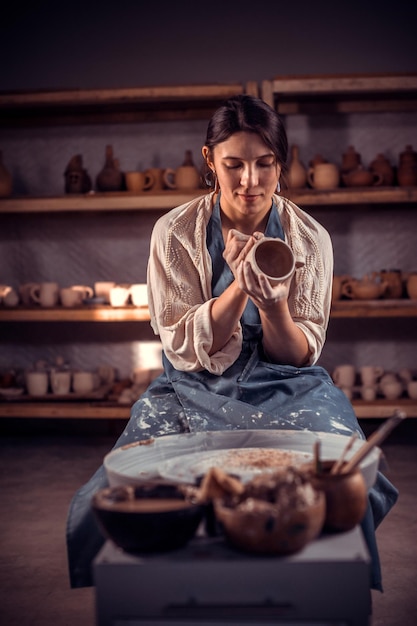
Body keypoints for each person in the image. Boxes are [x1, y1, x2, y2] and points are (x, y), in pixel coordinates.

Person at [67, 94, 397, 590]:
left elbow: (300, 352)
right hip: (194, 381)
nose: (250, 181)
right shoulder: (175, 233)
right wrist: (242, 284)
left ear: (281, 164)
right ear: (209, 161)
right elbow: (182, 347)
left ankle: (320, 590)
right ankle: (178, 591)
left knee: (346, 471)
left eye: (265, 164)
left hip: (288, 381)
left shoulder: (310, 238)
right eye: (234, 164)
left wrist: (273, 307)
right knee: (123, 483)